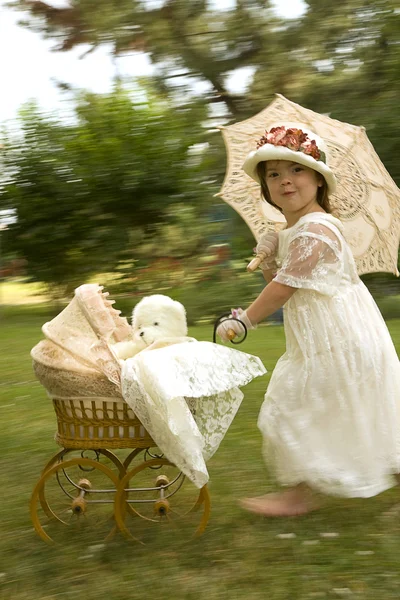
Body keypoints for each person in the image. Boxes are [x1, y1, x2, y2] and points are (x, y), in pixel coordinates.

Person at [217, 123, 400, 517]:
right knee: (359, 410)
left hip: (341, 338)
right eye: (274, 174)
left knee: (294, 406)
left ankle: (298, 496)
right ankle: (300, 492)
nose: (286, 181)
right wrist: (270, 252)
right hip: (325, 338)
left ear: (318, 179)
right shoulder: (295, 230)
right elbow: (281, 280)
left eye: (296, 170)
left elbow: (284, 288)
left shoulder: (316, 229)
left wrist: (244, 320)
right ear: (265, 188)